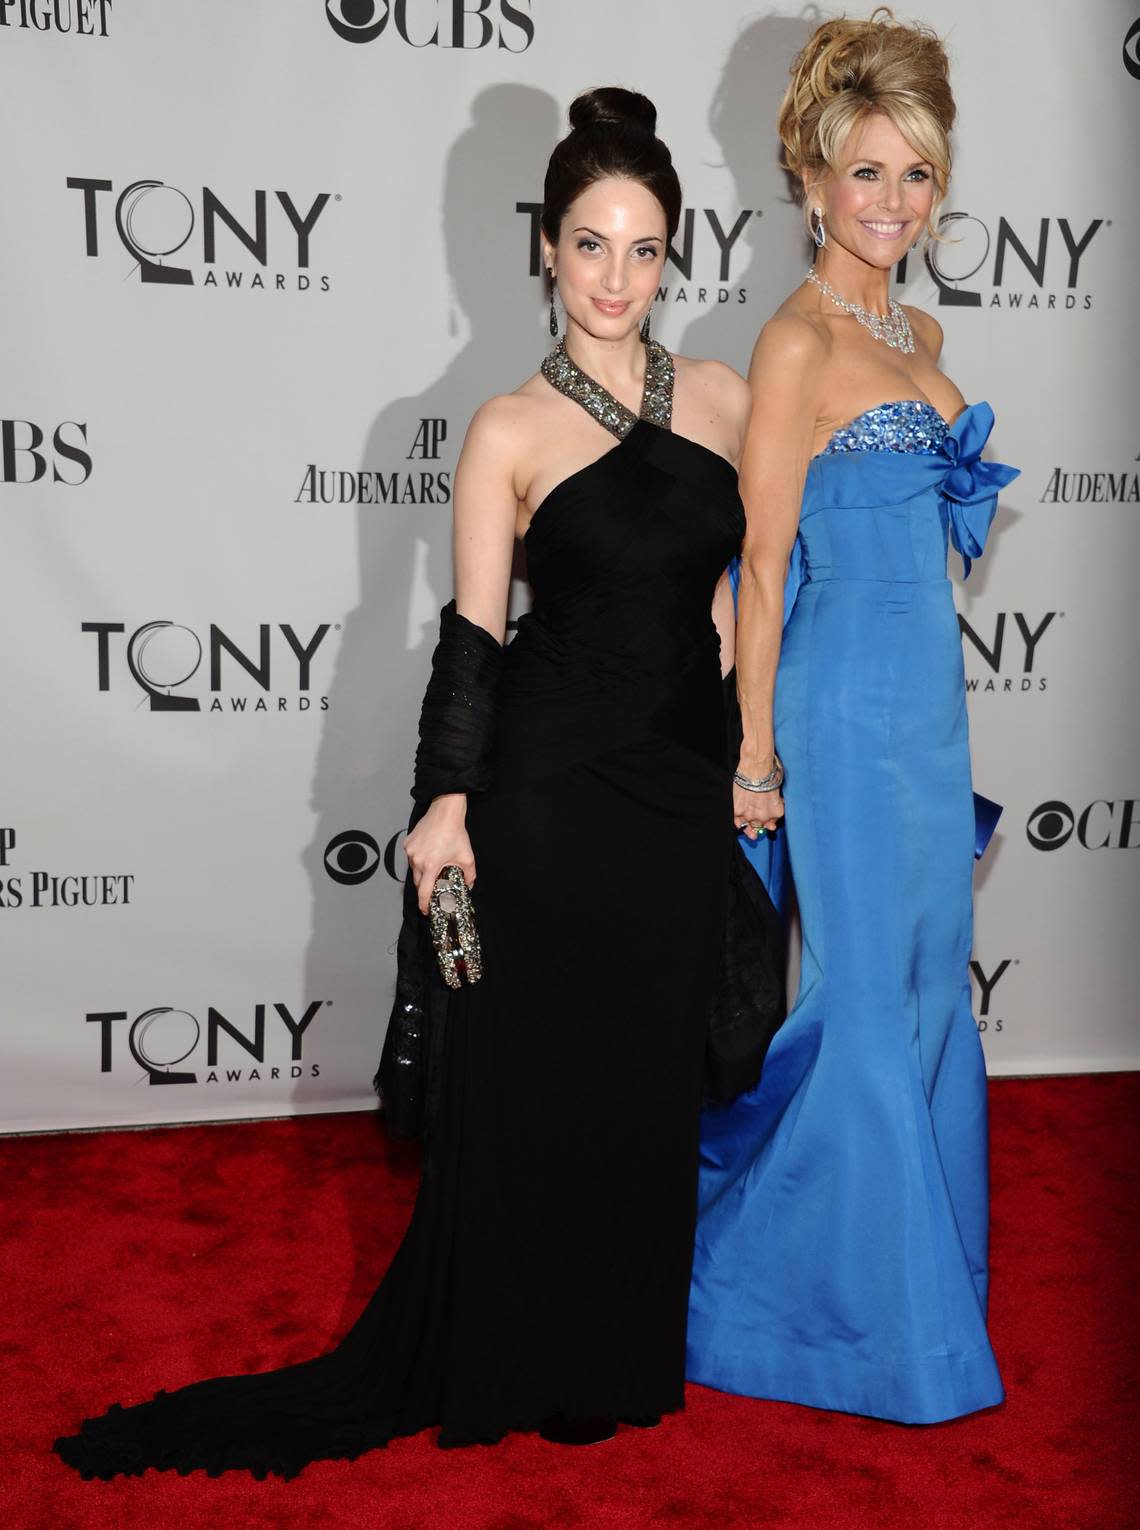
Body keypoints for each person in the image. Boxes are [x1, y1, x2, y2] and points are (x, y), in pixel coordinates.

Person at [54, 86, 783, 1481]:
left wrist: (756, 741)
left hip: (680, 796)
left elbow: (752, 594)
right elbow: (469, 637)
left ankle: (623, 1353)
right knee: (542, 1085)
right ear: (544, 251)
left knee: (640, 1088)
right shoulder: (504, 430)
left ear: (674, 253)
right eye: (589, 244)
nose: (616, 278)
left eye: (644, 248)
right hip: (554, 800)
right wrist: (444, 806)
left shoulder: (731, 397)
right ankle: (518, 1353)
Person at [687, 10, 1019, 1425]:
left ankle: (904, 1281)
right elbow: (761, 564)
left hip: (929, 710)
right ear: (811, 178)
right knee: (868, 1012)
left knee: (929, 993)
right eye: (865, 173)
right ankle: (823, 1325)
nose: (892, 203)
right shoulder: (796, 343)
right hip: (832, 706)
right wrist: (754, 754)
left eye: (917, 176)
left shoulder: (920, 328)